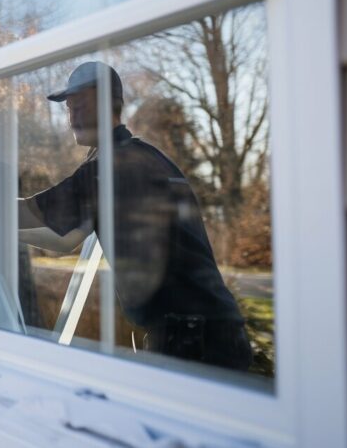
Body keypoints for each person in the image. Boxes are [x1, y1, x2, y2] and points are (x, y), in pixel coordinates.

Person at [16, 61, 252, 371]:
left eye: (80, 106)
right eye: (69, 109)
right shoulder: (138, 156)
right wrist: (1, 227)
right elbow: (66, 239)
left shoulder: (115, 166)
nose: (72, 118)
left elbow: (33, 214)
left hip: (196, 341)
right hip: (209, 335)